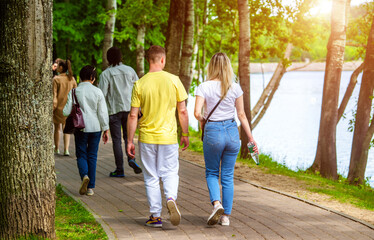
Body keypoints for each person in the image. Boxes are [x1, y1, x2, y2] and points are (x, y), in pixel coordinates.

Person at [127, 45, 189, 228]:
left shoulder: (140, 83)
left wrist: (130, 141)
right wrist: (185, 134)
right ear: (163, 60)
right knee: (170, 172)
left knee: (151, 176)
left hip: (147, 137)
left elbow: (132, 115)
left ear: (148, 60)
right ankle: (171, 197)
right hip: (169, 137)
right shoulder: (174, 80)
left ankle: (155, 216)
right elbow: (183, 111)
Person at [194, 52, 259, 226]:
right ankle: (225, 218)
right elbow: (242, 115)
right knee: (228, 176)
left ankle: (217, 204)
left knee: (212, 172)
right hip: (232, 132)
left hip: (213, 131)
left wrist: (203, 121)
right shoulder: (235, 87)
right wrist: (251, 138)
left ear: (211, 67)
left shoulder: (204, 87)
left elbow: (196, 113)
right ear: (228, 66)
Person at [63, 65, 110, 196]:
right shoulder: (97, 92)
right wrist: (106, 129)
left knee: (81, 154)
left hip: (80, 127)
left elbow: (66, 111)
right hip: (96, 128)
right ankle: (90, 188)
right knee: (92, 156)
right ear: (91, 77)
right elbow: (102, 113)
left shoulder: (74, 92)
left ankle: (84, 175)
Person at [99, 47, 142, 177]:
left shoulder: (106, 74)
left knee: (117, 140)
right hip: (130, 110)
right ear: (121, 56)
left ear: (108, 58)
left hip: (114, 110)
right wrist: (139, 108)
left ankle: (119, 169)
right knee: (128, 138)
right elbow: (138, 89)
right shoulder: (130, 70)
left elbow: (102, 95)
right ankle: (131, 159)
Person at [53, 58, 77, 156]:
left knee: (56, 129)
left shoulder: (56, 79)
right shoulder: (71, 79)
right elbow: (76, 92)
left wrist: (53, 107)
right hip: (69, 108)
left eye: (57, 66)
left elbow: (54, 95)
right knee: (66, 128)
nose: (56, 67)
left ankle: (57, 148)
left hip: (58, 107)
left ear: (61, 67)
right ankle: (66, 150)